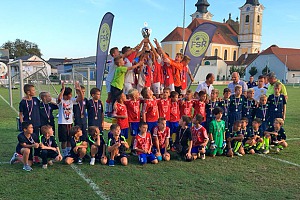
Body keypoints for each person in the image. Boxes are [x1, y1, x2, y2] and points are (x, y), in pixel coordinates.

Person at [57, 81, 83, 157]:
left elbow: (81, 98)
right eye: (69, 94)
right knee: (64, 140)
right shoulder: (61, 101)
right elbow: (59, 98)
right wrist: (63, 89)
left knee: (69, 139)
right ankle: (64, 153)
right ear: (65, 95)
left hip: (70, 123)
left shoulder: (71, 100)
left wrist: (79, 90)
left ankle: (68, 151)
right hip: (62, 123)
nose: (70, 96)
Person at [19, 84, 41, 163]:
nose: (34, 92)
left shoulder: (35, 99)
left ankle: (36, 156)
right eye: (33, 90)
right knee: (28, 141)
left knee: (36, 140)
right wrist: (22, 124)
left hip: (37, 123)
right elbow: (21, 114)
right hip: (28, 125)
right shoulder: (23, 102)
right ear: (28, 92)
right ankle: (29, 156)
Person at [105, 47, 120, 117]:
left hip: (113, 81)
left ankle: (110, 110)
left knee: (113, 96)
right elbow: (124, 55)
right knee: (109, 95)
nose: (119, 52)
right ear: (114, 54)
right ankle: (107, 110)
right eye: (117, 51)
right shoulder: (114, 59)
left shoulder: (115, 60)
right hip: (109, 80)